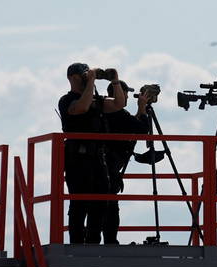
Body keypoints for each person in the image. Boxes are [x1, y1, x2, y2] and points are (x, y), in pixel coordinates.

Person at [58, 62, 125, 244]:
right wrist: (92, 81)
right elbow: (82, 107)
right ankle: (77, 245)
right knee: (79, 203)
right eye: (84, 76)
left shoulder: (97, 100)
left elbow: (119, 104)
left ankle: (93, 243)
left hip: (98, 158)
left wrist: (116, 81)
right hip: (77, 159)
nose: (88, 79)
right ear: (72, 78)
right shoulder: (67, 100)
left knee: (101, 201)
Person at [101, 80, 150, 244]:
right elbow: (142, 130)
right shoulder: (118, 114)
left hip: (103, 163)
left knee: (96, 204)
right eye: (125, 94)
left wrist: (139, 111)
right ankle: (110, 241)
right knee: (111, 206)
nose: (128, 97)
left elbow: (131, 125)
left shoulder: (105, 112)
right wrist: (143, 108)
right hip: (110, 167)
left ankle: (92, 241)